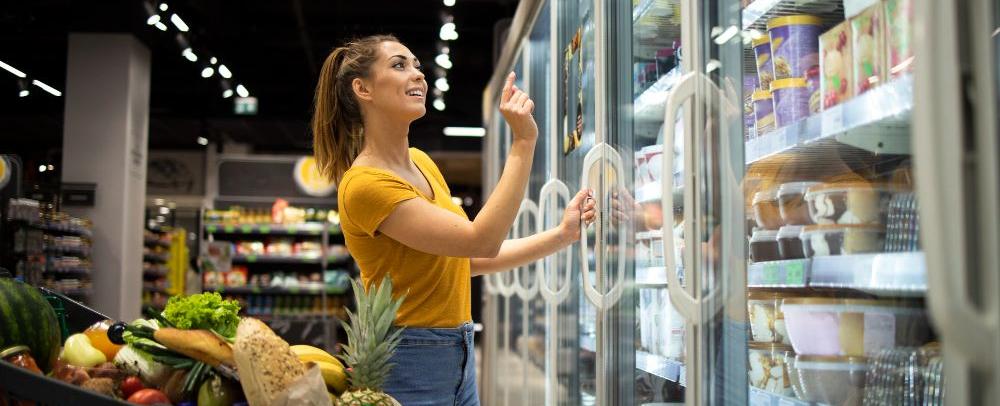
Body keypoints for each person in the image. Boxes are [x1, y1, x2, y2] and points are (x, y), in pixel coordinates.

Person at [311, 34, 596, 406]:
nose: (418, 75)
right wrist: (523, 142)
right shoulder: (364, 185)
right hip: (410, 361)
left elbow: (466, 261)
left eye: (416, 64)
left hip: (457, 351)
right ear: (362, 88)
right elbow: (481, 240)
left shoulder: (422, 164)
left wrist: (562, 235)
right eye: (399, 65)